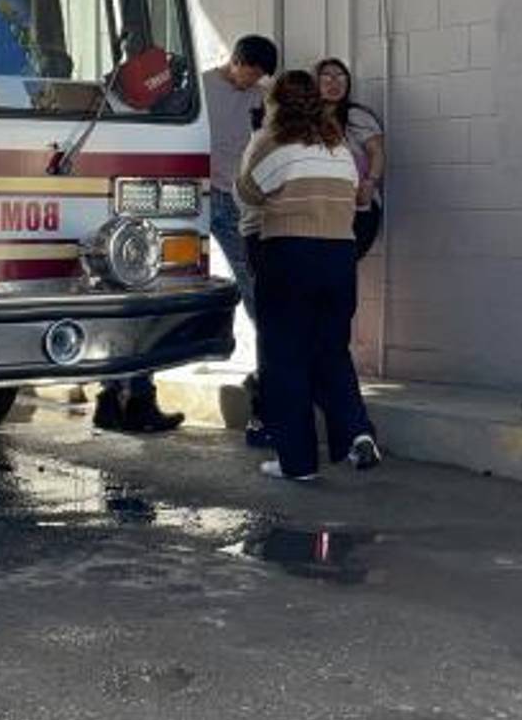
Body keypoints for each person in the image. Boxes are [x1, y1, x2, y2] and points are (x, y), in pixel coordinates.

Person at [93, 34, 279, 436]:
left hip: (232, 201)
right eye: (252, 72)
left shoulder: (263, 97)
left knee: (257, 291)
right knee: (151, 294)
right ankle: (124, 395)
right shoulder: (195, 90)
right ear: (236, 60)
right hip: (182, 197)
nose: (255, 81)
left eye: (262, 76)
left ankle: (269, 385)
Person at [238, 70, 382, 481]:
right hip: (339, 255)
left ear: (276, 104)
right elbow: (356, 197)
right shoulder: (338, 147)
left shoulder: (270, 140)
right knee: (331, 351)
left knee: (285, 358)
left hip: (289, 252)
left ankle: (297, 462)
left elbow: (247, 192)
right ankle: (356, 431)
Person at [315, 57, 386, 260]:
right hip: (322, 207)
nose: (334, 83)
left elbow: (377, 152)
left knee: (341, 264)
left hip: (358, 205)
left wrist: (370, 182)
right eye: (327, 78)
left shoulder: (356, 116)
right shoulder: (307, 121)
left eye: (340, 77)